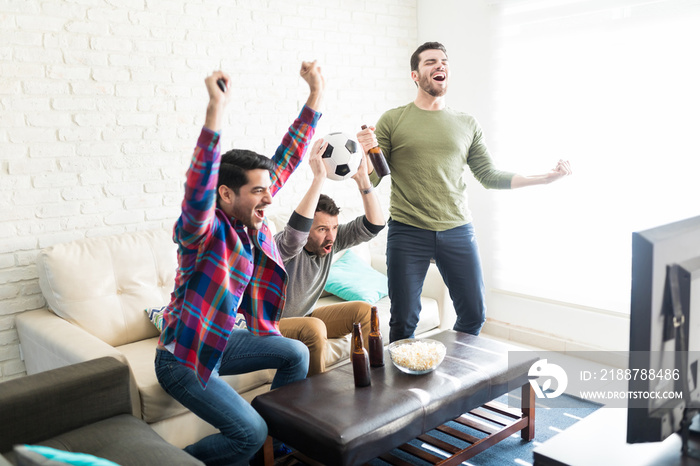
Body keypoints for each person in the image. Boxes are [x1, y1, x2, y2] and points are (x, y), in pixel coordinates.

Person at [154, 61, 324, 466]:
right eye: (259, 191)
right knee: (248, 432)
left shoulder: (254, 215)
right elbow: (198, 187)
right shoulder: (203, 232)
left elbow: (288, 156)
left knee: (296, 353)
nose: (269, 197)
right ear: (226, 194)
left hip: (225, 341)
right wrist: (216, 109)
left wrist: (315, 94)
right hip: (184, 357)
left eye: (269, 188)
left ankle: (277, 449)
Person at [356, 42, 572, 343]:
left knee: (474, 314)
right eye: (430, 62)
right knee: (404, 321)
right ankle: (404, 386)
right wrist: (368, 151)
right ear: (415, 76)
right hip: (408, 232)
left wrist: (544, 179)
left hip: (457, 229)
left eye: (444, 61)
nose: (440, 65)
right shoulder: (393, 120)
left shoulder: (466, 123)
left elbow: (489, 175)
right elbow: (375, 177)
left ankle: (451, 381)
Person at [274, 138, 385, 376]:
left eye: (333, 228)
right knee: (313, 328)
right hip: (268, 327)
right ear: (307, 229)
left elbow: (375, 224)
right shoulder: (285, 246)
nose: (331, 236)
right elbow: (294, 234)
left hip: (305, 316)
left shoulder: (332, 241)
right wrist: (318, 178)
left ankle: (376, 383)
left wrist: (363, 179)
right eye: (322, 229)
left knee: (365, 311)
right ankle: (317, 401)